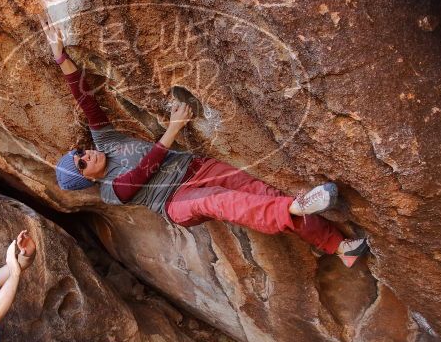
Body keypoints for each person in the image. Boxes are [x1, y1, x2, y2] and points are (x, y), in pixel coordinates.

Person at [42, 19, 368, 268]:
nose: (87, 154)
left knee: (265, 197)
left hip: (198, 168)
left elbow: (86, 100)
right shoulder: (111, 191)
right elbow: (143, 171)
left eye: (80, 152)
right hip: (177, 201)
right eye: (82, 163)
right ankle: (295, 207)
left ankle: (341, 248)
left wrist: (61, 58)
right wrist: (172, 129)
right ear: (88, 178)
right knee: (221, 202)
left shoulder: (105, 140)